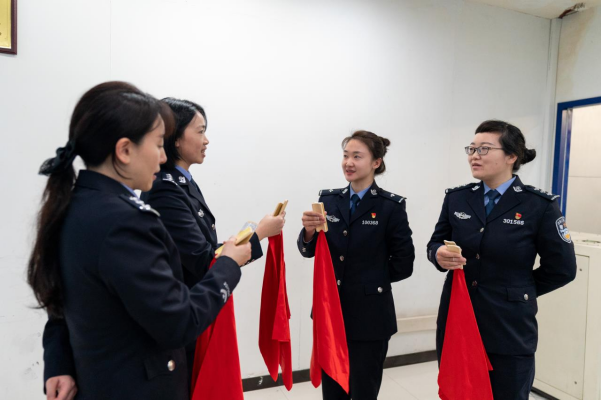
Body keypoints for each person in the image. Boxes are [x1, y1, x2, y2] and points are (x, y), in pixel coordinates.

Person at [28, 81, 252, 400]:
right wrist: (228, 265)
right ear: (124, 150)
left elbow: (61, 301)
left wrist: (58, 360)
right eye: (159, 144)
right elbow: (178, 322)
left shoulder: (74, 203)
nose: (162, 158)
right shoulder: (126, 222)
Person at [427, 120, 577, 400]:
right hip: (458, 315)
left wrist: (519, 290)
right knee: (458, 391)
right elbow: (435, 242)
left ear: (511, 156)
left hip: (509, 324)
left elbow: (563, 269)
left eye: (484, 148)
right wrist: (438, 254)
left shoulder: (538, 206)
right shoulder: (457, 199)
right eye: (471, 148)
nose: (474, 155)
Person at [140, 97, 285, 381]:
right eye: (200, 131)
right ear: (176, 138)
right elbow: (202, 258)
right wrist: (259, 235)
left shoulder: (182, 182)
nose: (206, 140)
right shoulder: (165, 189)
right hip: (186, 309)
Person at [298, 130, 415, 400]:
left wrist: (367, 281)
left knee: (363, 390)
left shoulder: (390, 206)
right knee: (333, 392)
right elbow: (309, 251)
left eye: (357, 156)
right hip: (331, 313)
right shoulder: (328, 200)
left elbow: (404, 264)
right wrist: (308, 233)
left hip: (370, 316)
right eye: (345, 155)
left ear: (376, 162)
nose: (348, 162)